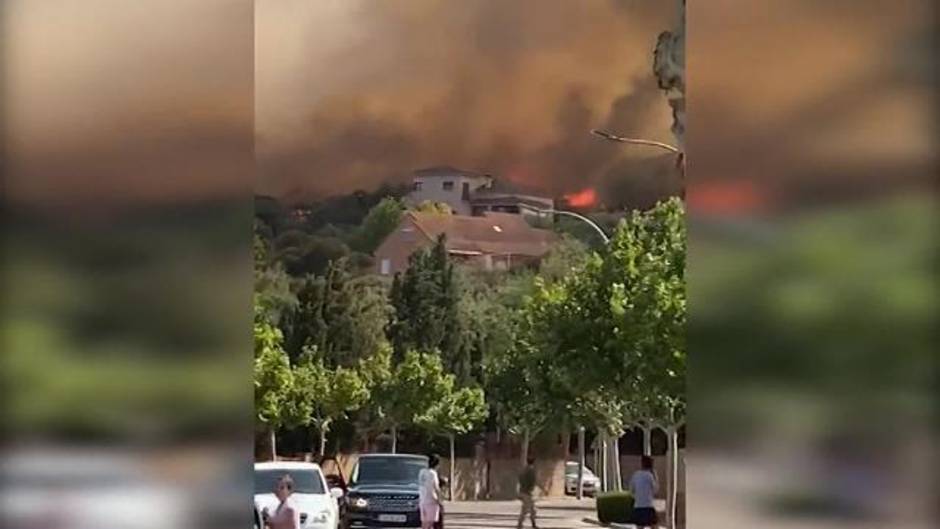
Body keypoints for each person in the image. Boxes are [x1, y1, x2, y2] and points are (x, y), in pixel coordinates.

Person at [628, 456, 659, 529]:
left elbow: (631, 491)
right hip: (648, 506)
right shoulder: (650, 476)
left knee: (639, 526)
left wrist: (637, 497)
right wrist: (656, 476)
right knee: (654, 526)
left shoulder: (636, 475)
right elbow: (656, 490)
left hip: (638, 507)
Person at [418, 454, 443, 529]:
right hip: (431, 500)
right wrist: (439, 500)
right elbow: (436, 488)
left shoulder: (421, 472)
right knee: (430, 522)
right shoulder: (432, 473)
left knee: (424, 523)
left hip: (422, 500)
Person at [516, 457, 539, 529]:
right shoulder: (531, 471)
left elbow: (520, 479)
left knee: (531, 509)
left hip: (524, 491)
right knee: (527, 509)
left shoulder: (524, 470)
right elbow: (532, 482)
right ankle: (520, 524)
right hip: (528, 492)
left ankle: (532, 524)